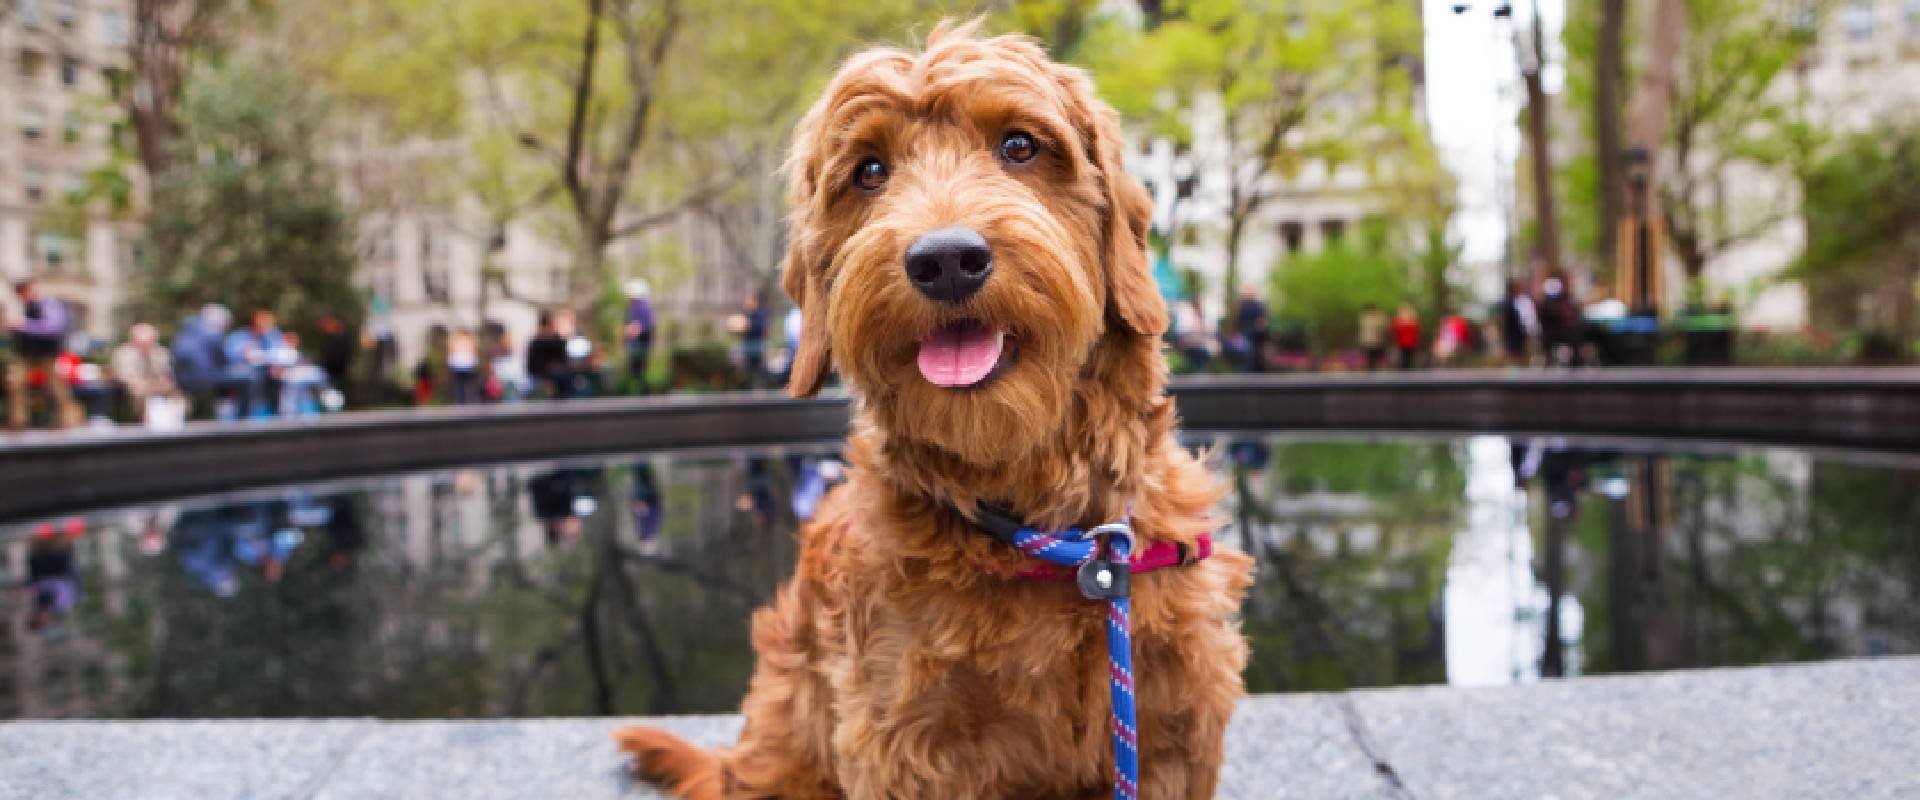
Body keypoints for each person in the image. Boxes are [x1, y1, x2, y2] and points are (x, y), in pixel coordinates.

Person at [7, 279, 80, 430]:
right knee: (15, 383)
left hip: (47, 353)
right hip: (25, 353)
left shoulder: (47, 304)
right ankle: (18, 421)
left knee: (57, 387)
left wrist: (24, 325)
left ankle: (67, 419)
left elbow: (51, 327)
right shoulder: (22, 306)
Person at [112, 322, 180, 424]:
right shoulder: (124, 354)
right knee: (140, 392)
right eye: (142, 343)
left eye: (149, 342)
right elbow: (128, 379)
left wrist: (160, 383)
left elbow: (167, 375)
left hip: (157, 387)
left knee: (177, 392)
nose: (146, 346)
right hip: (134, 390)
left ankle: (175, 423)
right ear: (134, 341)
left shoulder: (161, 353)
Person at [224, 308, 284, 418]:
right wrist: (244, 353)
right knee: (250, 378)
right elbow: (229, 355)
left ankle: (276, 415)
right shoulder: (239, 336)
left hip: (266, 372)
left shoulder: (272, 335)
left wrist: (276, 364)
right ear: (254, 323)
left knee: (279, 378)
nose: (267, 327)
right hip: (243, 371)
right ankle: (244, 417)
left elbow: (279, 353)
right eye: (264, 324)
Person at [525, 309, 576, 399]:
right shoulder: (537, 342)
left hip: (559, 375)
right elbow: (532, 366)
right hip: (541, 375)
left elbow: (564, 360)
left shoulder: (557, 340)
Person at [623, 279, 657, 395]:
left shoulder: (642, 306)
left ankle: (642, 392)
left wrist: (633, 329)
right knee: (637, 369)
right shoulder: (635, 306)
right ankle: (639, 391)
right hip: (637, 342)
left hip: (639, 342)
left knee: (638, 369)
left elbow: (644, 325)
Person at [316, 313, 357, 405]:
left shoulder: (340, 338)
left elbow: (336, 357)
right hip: (332, 370)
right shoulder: (332, 338)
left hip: (336, 371)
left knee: (335, 392)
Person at [1499, 280, 1538, 366]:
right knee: (1514, 359)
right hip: (1512, 336)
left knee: (1520, 359)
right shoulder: (1508, 303)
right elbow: (1506, 322)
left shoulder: (1520, 301)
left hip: (1519, 335)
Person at [736, 293, 768, 388]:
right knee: (747, 369)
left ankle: (758, 388)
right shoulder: (746, 314)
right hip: (747, 346)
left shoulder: (761, 314)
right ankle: (747, 387)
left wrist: (747, 325)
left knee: (758, 369)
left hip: (757, 346)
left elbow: (761, 327)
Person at [1235, 286, 1269, 373]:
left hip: (1258, 336)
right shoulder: (1242, 305)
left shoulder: (1258, 305)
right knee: (1248, 356)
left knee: (1257, 356)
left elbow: (1262, 321)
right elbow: (1239, 321)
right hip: (1246, 335)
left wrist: (1260, 326)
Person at [447, 327, 481, 405]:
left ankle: (462, 402)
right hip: (467, 365)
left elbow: (451, 351)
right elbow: (475, 350)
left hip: (459, 365)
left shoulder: (455, 339)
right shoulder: (470, 339)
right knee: (468, 386)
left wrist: (450, 362)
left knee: (460, 386)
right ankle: (469, 401)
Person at [1391, 303, 1422, 370]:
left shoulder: (1413, 320)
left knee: (1410, 358)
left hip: (1411, 342)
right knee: (1402, 358)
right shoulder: (1398, 320)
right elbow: (1394, 330)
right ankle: (1403, 371)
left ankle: (1409, 371)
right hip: (1401, 342)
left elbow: (1417, 330)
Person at [1357, 303, 1388, 371]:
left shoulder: (1364, 317)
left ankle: (1372, 371)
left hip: (1370, 342)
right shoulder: (1376, 318)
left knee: (1373, 360)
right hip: (1373, 342)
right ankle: (1372, 372)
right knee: (1372, 359)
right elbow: (1382, 327)